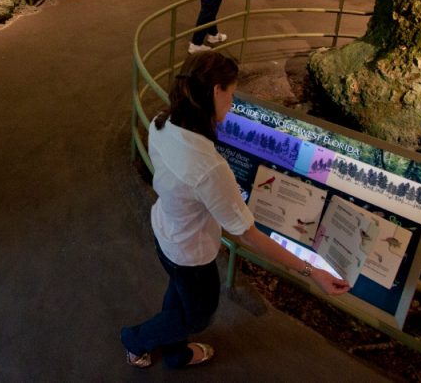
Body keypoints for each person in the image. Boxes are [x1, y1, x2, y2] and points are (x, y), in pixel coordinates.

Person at [120, 51, 351, 369]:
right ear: (216, 91)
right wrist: (312, 273)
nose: (232, 102)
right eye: (231, 93)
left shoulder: (165, 121)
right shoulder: (210, 168)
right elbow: (248, 236)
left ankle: (176, 354)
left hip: (166, 232)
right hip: (191, 253)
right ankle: (135, 339)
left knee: (179, 295)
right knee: (198, 315)